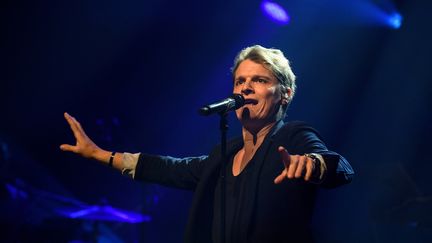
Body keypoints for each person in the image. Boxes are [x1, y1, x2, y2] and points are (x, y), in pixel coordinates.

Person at [60, 45, 354, 243]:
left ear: (285, 94)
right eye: (240, 82)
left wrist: (313, 164)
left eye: (259, 80)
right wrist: (100, 154)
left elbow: (339, 165)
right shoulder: (223, 156)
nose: (246, 87)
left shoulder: (291, 136)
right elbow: (171, 169)